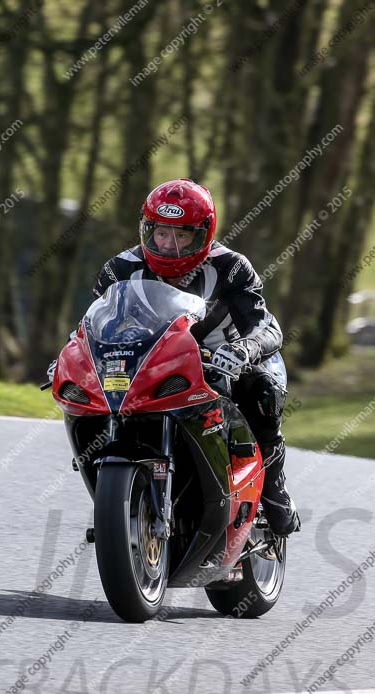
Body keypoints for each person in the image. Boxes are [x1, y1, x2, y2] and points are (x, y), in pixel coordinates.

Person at [51, 178, 300, 537]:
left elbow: (266, 326)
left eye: (182, 235)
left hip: (224, 357)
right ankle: (117, 507)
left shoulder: (231, 267)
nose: (168, 245)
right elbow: (94, 324)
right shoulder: (119, 269)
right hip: (154, 361)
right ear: (145, 230)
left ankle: (274, 490)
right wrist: (73, 356)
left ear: (204, 235)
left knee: (261, 391)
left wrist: (244, 350)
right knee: (92, 403)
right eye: (160, 233)